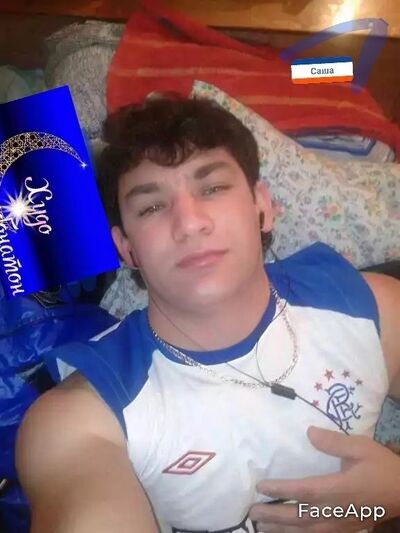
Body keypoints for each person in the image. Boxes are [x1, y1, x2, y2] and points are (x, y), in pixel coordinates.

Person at [16, 97, 400, 533]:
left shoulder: (372, 310)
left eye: (213, 188)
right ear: (127, 249)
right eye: (152, 207)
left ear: (261, 206)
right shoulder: (83, 418)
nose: (189, 223)